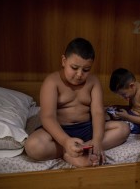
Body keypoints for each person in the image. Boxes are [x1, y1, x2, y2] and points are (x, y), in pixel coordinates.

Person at [25, 38, 130, 167]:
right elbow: (47, 117)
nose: (80, 74)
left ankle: (85, 148)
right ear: (64, 61)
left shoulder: (93, 82)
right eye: (74, 68)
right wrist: (65, 141)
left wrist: (97, 140)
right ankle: (67, 150)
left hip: (87, 128)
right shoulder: (52, 82)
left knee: (123, 129)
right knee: (32, 146)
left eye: (86, 70)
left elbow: (97, 112)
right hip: (60, 130)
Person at [108, 68, 140, 134]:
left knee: (121, 128)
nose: (123, 97)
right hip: (133, 116)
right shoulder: (133, 91)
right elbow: (133, 108)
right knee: (110, 116)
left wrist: (127, 117)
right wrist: (119, 108)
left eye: (123, 94)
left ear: (132, 86)